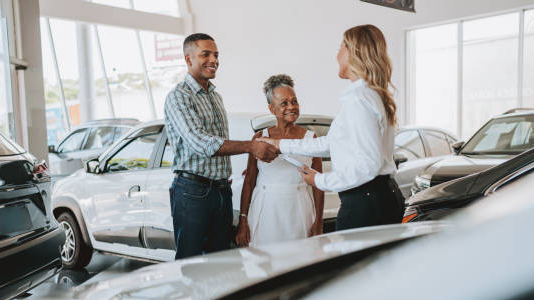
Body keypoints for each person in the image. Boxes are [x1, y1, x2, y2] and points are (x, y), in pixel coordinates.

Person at [258, 24, 404, 231]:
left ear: (353, 53)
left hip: (365, 202)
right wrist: (279, 145)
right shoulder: (370, 94)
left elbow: (368, 165)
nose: (337, 55)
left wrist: (320, 180)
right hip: (379, 197)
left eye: (340, 48)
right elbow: (331, 143)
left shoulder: (359, 99)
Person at [164, 33, 278, 259]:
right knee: (191, 262)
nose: (214, 60)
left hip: (222, 191)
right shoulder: (178, 97)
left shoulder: (215, 96)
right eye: (205, 54)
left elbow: (221, 143)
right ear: (188, 59)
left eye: (216, 55)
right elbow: (201, 143)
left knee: (221, 262)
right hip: (192, 192)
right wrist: (250, 147)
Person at [235, 75, 324, 247]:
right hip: (266, 209)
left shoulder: (310, 138)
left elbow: (317, 184)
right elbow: (249, 181)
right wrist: (243, 220)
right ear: (271, 108)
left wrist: (318, 221)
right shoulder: (260, 138)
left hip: (299, 210)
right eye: (284, 103)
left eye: (294, 101)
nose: (291, 107)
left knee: (300, 262)